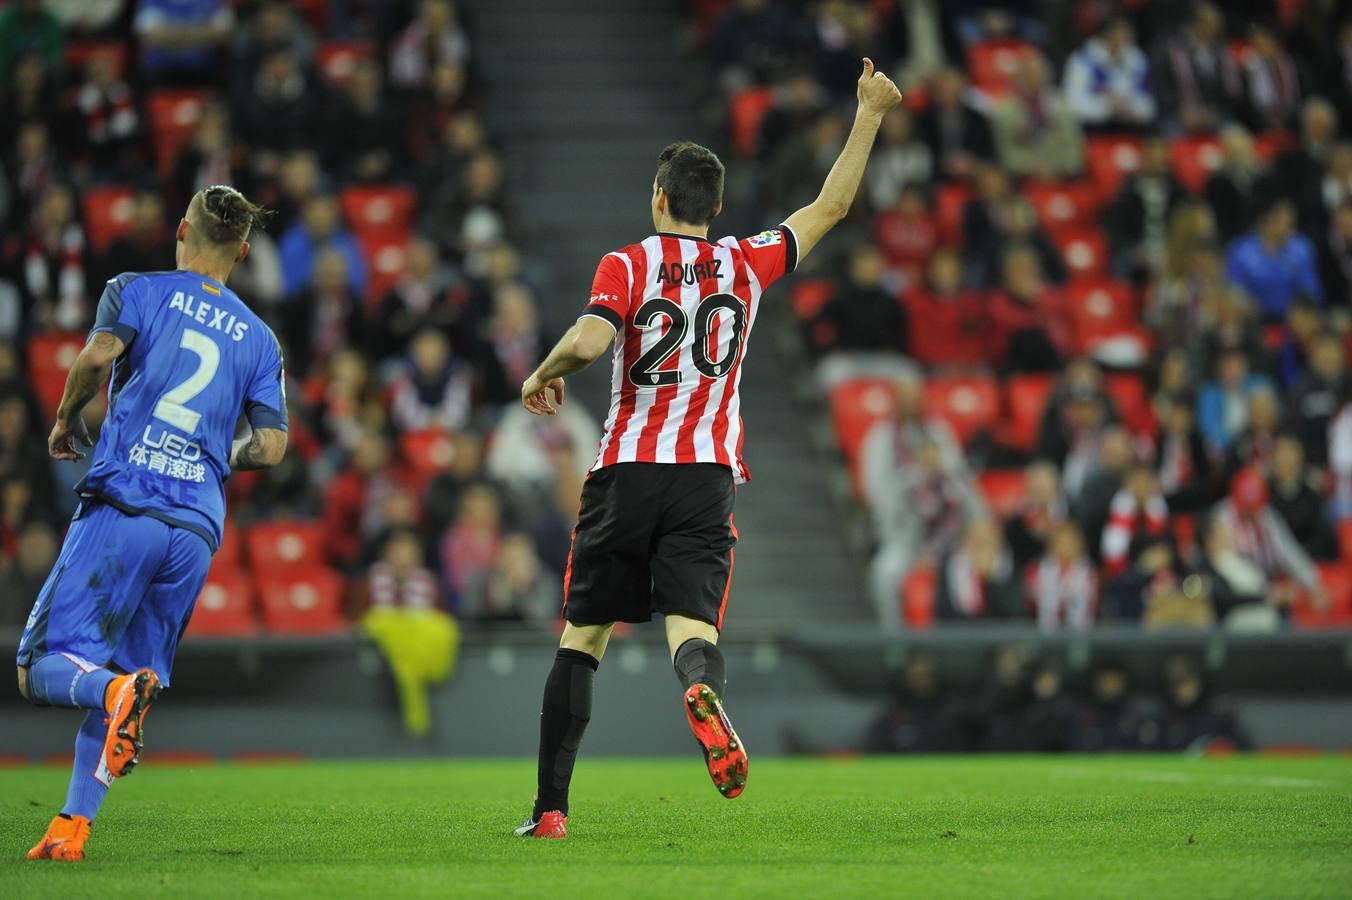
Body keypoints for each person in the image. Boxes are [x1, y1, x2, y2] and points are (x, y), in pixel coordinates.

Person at [511, 60, 903, 838]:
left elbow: (592, 337)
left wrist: (544, 371)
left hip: (626, 467)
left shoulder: (626, 263)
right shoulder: (743, 261)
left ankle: (551, 810)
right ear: (717, 207)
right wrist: (869, 113)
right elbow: (831, 206)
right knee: (694, 627)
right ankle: (699, 688)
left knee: (582, 638)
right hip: (707, 475)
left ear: (658, 199)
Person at [17, 186, 288, 861]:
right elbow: (274, 447)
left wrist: (63, 419)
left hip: (126, 505)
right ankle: (73, 827)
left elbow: (97, 356)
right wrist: (210, 457)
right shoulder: (261, 337)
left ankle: (111, 694)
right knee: (127, 677)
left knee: (45, 666)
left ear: (180, 230)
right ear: (244, 252)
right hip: (195, 529)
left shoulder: (136, 289)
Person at [1225, 199, 1322, 322]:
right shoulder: (1239, 251)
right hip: (1253, 320)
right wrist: (1244, 303)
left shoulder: (1301, 248)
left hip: (1293, 320)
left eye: (1292, 224)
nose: (1290, 230)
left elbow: (1311, 290)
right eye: (1286, 224)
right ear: (1267, 221)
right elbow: (1233, 290)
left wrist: (1301, 308)